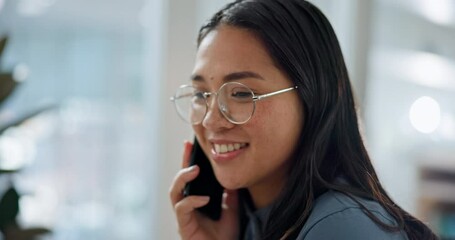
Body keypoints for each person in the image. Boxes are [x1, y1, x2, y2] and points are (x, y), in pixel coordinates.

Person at [169, 0, 438, 239]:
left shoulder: (341, 227)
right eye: (201, 94)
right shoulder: (257, 221)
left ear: (313, 97)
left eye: (241, 93)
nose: (210, 121)